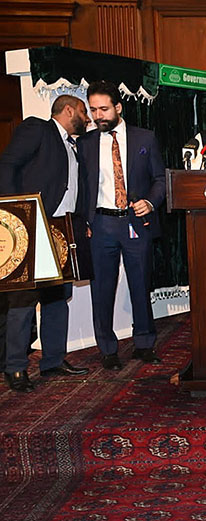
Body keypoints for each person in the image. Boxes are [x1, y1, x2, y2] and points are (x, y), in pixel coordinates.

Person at [0, 95, 91, 391]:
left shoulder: (75, 146)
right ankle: (14, 367)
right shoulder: (38, 129)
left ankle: (52, 361)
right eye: (82, 111)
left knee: (57, 296)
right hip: (31, 225)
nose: (87, 117)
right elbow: (8, 165)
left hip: (61, 230)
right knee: (23, 301)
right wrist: (16, 218)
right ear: (68, 110)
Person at [77, 81, 166, 371]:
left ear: (118, 107)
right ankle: (107, 348)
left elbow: (160, 179)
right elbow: (81, 186)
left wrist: (151, 202)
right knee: (101, 288)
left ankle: (144, 343)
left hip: (135, 222)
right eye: (93, 110)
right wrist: (84, 222)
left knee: (141, 283)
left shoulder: (145, 138)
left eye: (103, 109)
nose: (98, 116)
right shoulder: (86, 143)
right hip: (101, 224)